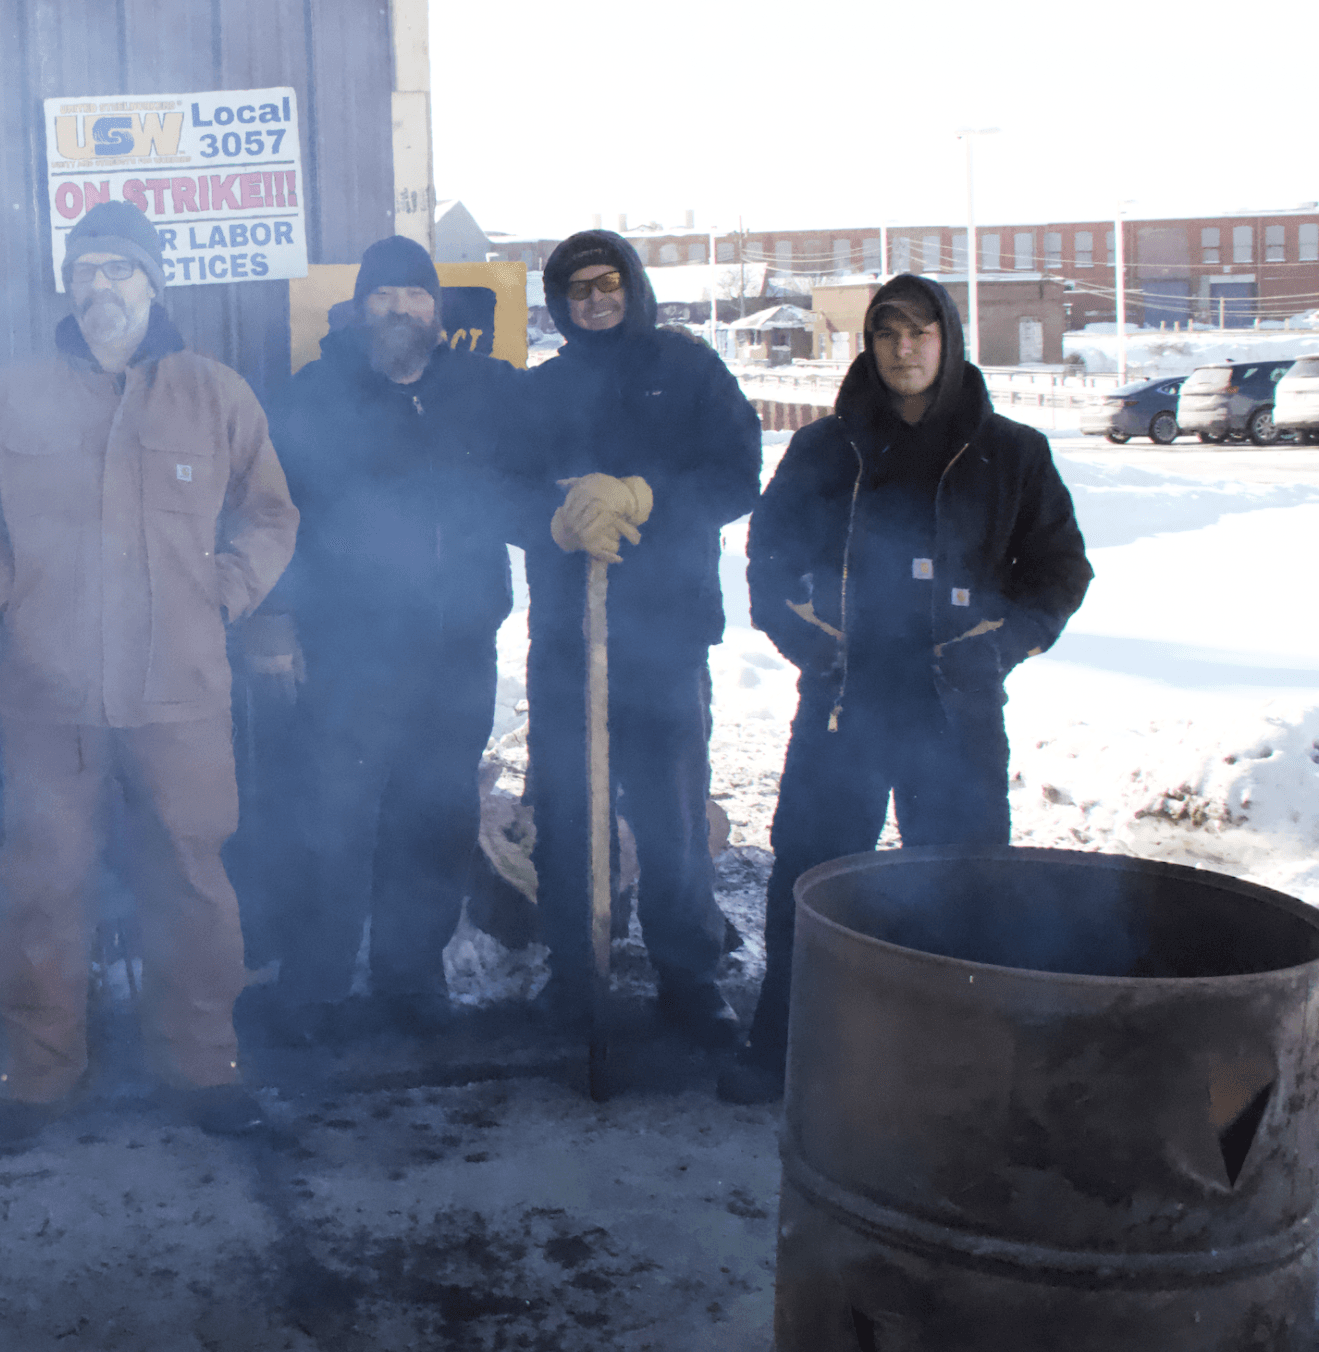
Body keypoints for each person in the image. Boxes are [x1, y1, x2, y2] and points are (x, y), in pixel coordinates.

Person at [0, 200, 298, 1155]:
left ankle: (203, 1066)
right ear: (69, 285)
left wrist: (224, 590)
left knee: (190, 877)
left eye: (119, 270)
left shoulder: (215, 396)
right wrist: (7, 596)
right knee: (43, 883)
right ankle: (37, 1077)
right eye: (85, 270)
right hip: (50, 694)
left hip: (179, 687)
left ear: (154, 282)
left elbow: (270, 514)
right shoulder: (9, 396)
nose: (101, 287)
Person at [717, 273, 1090, 1104]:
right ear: (870, 344)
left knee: (965, 884)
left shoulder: (1011, 453)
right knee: (809, 876)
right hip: (845, 701)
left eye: (921, 332)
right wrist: (809, 641)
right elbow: (769, 557)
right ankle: (784, 1044)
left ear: (948, 341)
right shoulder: (827, 449)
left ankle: (957, 1064)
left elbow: (1062, 570)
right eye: (888, 333)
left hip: (954, 708)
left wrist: (1001, 644)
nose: (904, 348)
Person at [248, 235, 527, 1039]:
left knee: (433, 818)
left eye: (416, 295)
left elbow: (555, 444)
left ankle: (410, 979)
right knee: (334, 820)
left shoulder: (482, 389)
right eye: (385, 295)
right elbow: (268, 512)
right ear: (360, 306)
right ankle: (318, 986)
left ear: (437, 310)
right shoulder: (312, 396)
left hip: (457, 650)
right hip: (347, 652)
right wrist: (273, 616)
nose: (400, 308)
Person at [506, 230, 760, 1046]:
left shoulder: (686, 371)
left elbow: (736, 473)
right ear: (559, 305)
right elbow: (497, 488)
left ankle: (688, 974)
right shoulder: (541, 393)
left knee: (673, 813)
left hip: (667, 633)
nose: (596, 300)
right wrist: (549, 518)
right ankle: (576, 970)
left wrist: (645, 496)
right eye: (577, 290)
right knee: (569, 806)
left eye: (607, 282)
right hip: (568, 637)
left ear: (633, 285)